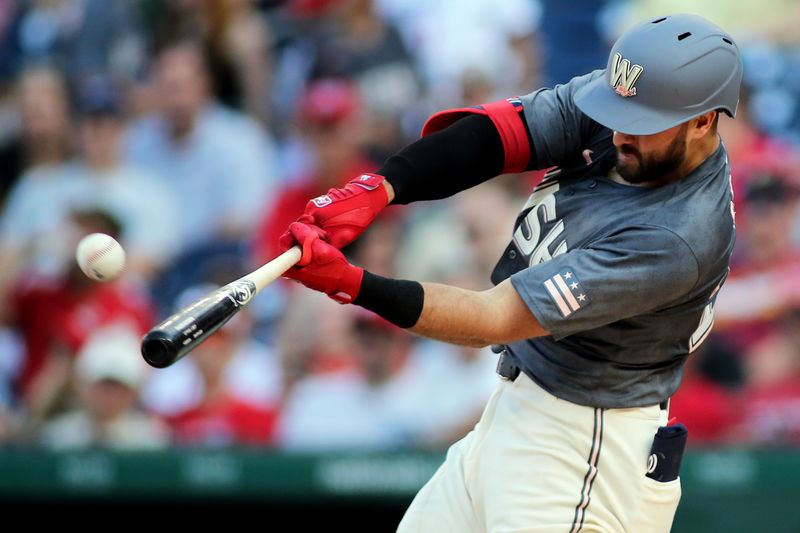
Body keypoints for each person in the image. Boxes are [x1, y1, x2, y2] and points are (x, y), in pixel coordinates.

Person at [278, 13, 742, 533]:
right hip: (515, 410)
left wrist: (353, 284)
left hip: (584, 447)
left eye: (641, 121)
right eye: (619, 109)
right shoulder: (631, 99)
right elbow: (504, 134)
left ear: (703, 120)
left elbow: (490, 318)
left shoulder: (677, 237)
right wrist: (381, 187)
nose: (619, 130)